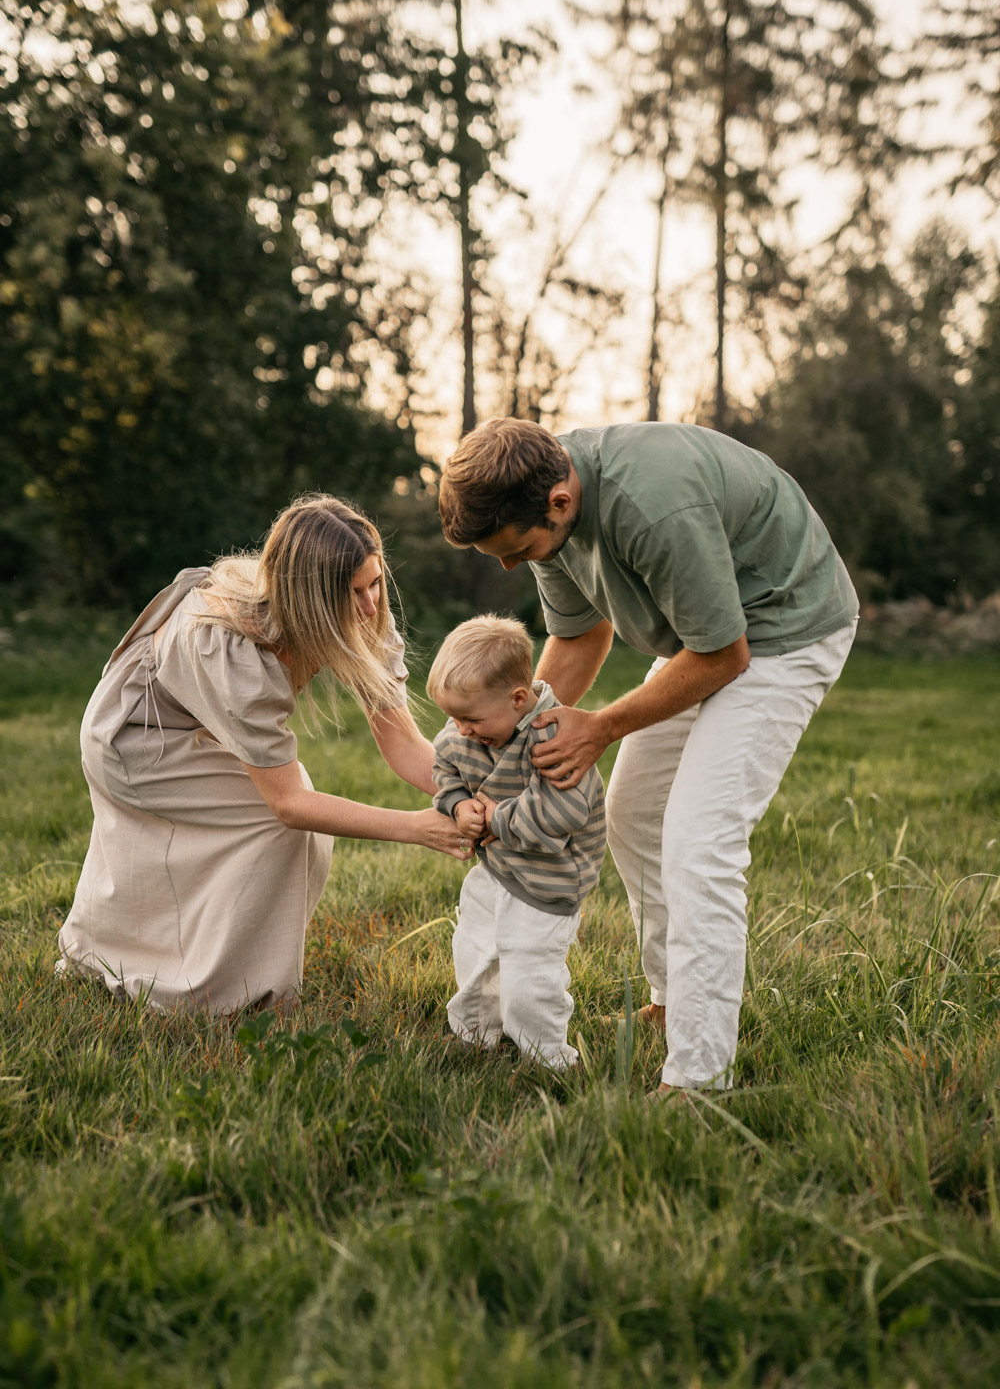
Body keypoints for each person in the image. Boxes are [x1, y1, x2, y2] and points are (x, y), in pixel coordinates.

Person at [437, 419, 859, 1095]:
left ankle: (699, 1076)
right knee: (633, 815)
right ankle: (670, 1002)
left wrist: (600, 727)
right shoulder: (547, 504)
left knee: (699, 844)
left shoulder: (651, 504)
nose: (512, 567)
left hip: (781, 630)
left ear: (561, 503)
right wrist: (512, 758)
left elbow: (726, 655)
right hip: (706, 634)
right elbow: (579, 638)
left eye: (517, 551)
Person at [58, 493, 470, 1015]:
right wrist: (418, 827)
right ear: (311, 597)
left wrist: (467, 790)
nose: (370, 605)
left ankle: (151, 960)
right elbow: (288, 804)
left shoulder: (365, 610)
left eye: (376, 583)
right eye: (354, 592)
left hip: (196, 721)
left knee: (300, 827)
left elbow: (403, 743)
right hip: (137, 738)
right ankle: (233, 997)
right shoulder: (236, 651)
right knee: (286, 825)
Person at [427, 615, 606, 1069]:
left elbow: (561, 813)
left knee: (528, 973)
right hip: (495, 869)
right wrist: (456, 805)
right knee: (473, 951)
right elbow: (444, 767)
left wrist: (496, 818)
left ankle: (549, 1058)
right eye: (453, 716)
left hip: (549, 881)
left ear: (518, 699)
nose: (461, 729)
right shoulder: (465, 730)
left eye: (471, 718)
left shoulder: (554, 738)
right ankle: (477, 1035)